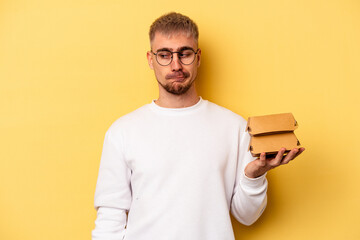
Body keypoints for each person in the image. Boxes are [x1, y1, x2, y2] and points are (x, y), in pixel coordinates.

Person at [91, 12, 305, 240]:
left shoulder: (235, 127)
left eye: (185, 54)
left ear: (198, 57)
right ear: (150, 59)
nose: (176, 65)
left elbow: (247, 217)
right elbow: (110, 220)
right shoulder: (123, 131)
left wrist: (254, 177)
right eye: (164, 54)